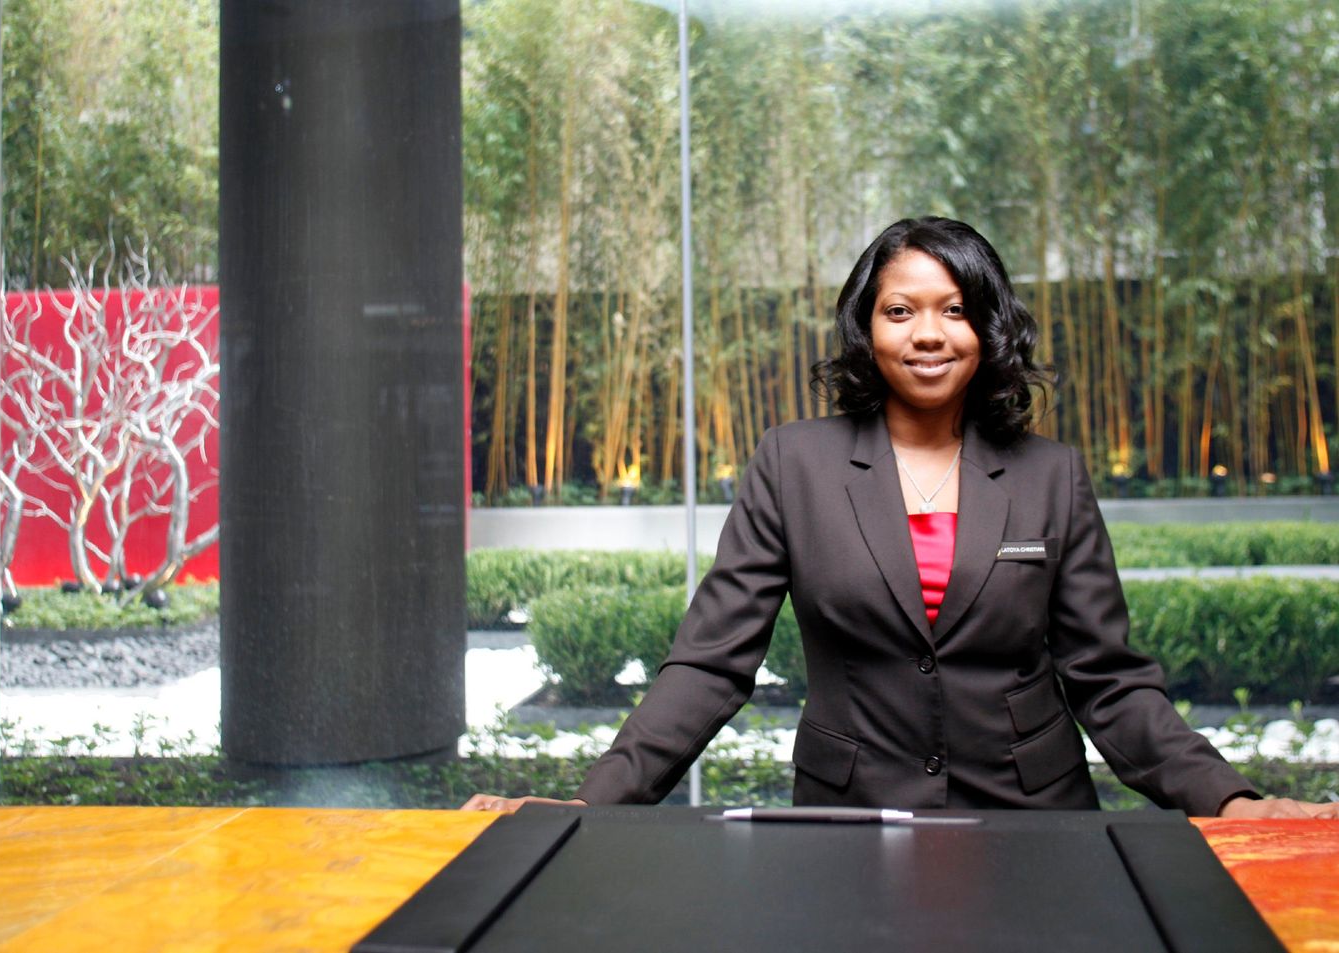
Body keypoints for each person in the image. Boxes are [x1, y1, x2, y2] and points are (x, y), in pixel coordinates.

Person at [463, 216, 1336, 819]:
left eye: (956, 310)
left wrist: (1231, 799)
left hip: (1034, 819)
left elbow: (1108, 680)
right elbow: (710, 664)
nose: (928, 333)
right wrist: (591, 801)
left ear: (989, 330)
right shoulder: (793, 465)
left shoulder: (1051, 475)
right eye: (901, 310)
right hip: (853, 817)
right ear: (867, 328)